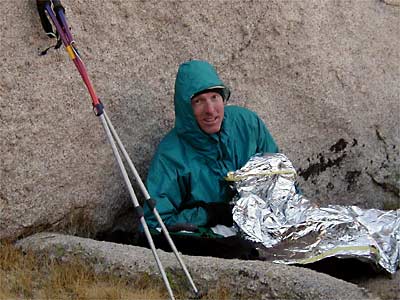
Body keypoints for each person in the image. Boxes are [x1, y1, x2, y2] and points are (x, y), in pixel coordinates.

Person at [140, 59, 278, 259]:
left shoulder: (247, 124)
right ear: (186, 108)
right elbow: (155, 223)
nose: (210, 110)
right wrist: (211, 213)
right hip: (215, 237)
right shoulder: (171, 156)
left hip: (264, 222)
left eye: (214, 97)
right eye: (199, 101)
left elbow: (279, 178)